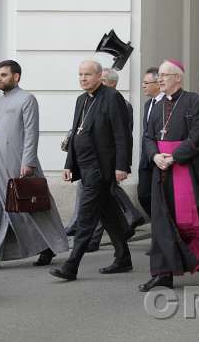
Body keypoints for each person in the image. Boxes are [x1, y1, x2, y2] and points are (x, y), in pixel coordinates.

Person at [138, 60, 199, 292]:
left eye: (165, 75)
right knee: (161, 221)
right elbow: (148, 137)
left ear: (178, 78)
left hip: (187, 171)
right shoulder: (155, 104)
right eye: (159, 75)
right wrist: (155, 156)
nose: (160, 79)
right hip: (161, 170)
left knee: (198, 221)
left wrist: (174, 156)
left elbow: (198, 136)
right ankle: (162, 274)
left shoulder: (195, 101)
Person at [0, 60, 68, 270]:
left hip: (19, 164)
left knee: (32, 208)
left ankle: (49, 246)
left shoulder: (27, 99)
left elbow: (31, 132)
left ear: (16, 77)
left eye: (4, 75)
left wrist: (27, 162)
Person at [50, 60, 133, 281]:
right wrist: (69, 164)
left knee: (86, 218)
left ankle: (71, 266)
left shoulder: (112, 98)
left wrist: (122, 166)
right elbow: (75, 134)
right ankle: (124, 257)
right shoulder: (81, 100)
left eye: (87, 74)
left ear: (99, 76)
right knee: (108, 214)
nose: (83, 78)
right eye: (80, 74)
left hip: (100, 167)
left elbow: (122, 135)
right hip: (84, 167)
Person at [84, 68, 145, 252]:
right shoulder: (89, 100)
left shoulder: (120, 103)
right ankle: (125, 234)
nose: (97, 82)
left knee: (95, 206)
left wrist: (121, 165)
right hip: (92, 164)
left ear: (111, 83)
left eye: (102, 79)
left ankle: (85, 243)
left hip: (107, 164)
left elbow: (122, 136)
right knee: (106, 205)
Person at [138, 66, 163, 217]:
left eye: (146, 83)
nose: (143, 86)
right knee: (143, 194)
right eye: (143, 82)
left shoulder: (166, 103)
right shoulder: (148, 104)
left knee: (159, 196)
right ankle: (158, 221)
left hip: (160, 157)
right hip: (146, 158)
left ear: (158, 83)